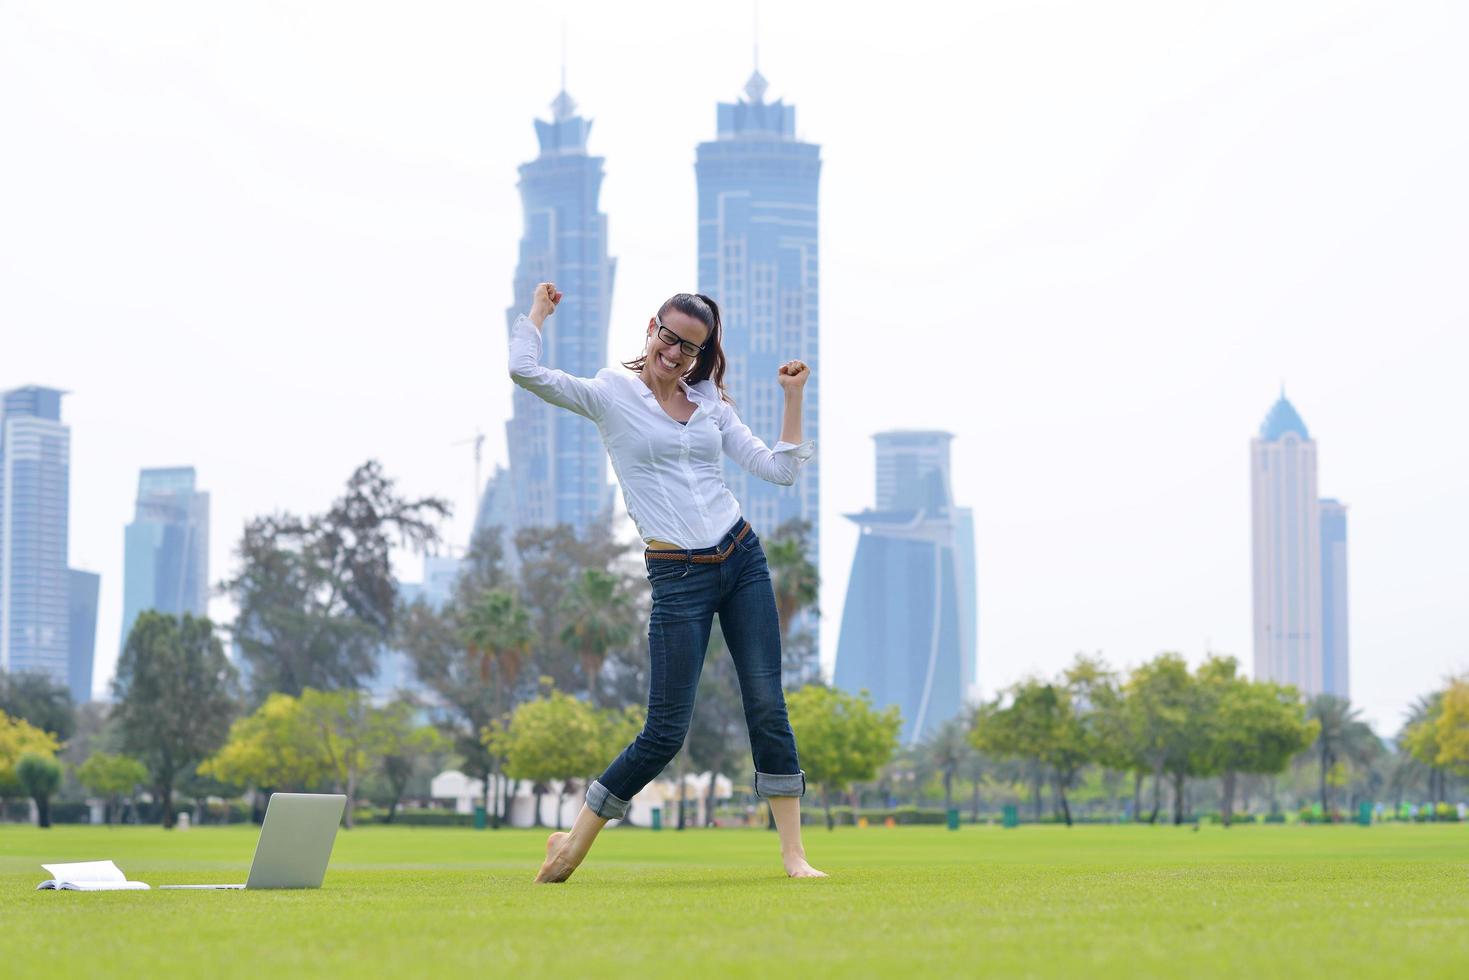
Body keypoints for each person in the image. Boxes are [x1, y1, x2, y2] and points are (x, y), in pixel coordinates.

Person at [508, 281, 825, 882]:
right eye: (669, 337)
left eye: (690, 348)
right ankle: (572, 844)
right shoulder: (611, 393)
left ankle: (794, 856)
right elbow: (525, 371)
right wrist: (538, 314)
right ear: (652, 328)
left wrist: (793, 396)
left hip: (741, 557)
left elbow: (779, 470)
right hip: (677, 574)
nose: (675, 353)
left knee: (766, 703)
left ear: (703, 355)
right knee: (665, 730)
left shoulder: (710, 407)